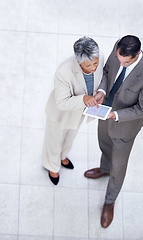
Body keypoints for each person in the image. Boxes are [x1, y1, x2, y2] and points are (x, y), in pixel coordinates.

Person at [84, 35, 143, 228]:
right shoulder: (119, 48)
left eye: (125, 62)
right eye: (119, 59)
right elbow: (107, 71)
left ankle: (109, 201)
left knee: (118, 166)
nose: (120, 63)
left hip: (124, 126)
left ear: (137, 55)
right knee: (104, 145)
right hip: (105, 113)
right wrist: (101, 92)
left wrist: (116, 115)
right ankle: (104, 169)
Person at [42, 36, 103, 185]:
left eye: (96, 63)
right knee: (54, 141)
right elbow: (62, 103)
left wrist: (100, 93)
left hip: (79, 111)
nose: (94, 67)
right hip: (60, 113)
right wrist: (83, 99)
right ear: (78, 61)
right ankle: (53, 166)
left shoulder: (98, 57)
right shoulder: (63, 72)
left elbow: (102, 77)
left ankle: (63, 156)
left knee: (70, 137)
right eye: (89, 66)